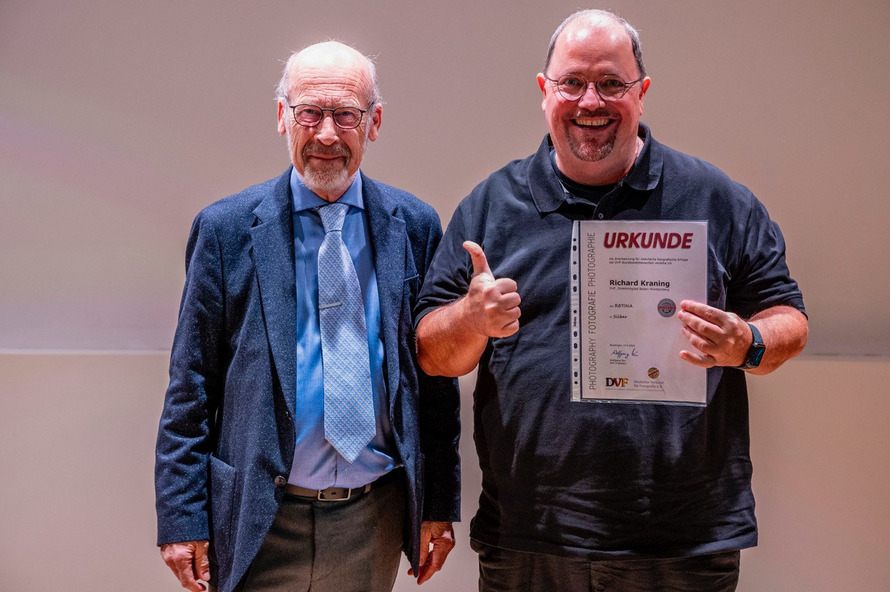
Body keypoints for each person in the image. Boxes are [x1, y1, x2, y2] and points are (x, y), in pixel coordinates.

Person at [415, 9, 807, 591]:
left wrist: (747, 343)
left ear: (642, 93)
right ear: (545, 91)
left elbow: (788, 319)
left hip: (683, 538)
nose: (590, 101)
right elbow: (431, 354)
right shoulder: (491, 205)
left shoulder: (714, 196)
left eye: (612, 83)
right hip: (531, 533)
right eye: (572, 82)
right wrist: (471, 319)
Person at [155, 41, 460, 592]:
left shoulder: (413, 225)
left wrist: (437, 504)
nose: (326, 135)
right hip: (259, 516)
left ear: (374, 122)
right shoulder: (226, 231)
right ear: (281, 118)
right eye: (309, 113)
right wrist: (181, 519)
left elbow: (431, 386)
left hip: (374, 517)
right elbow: (191, 385)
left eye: (346, 115)